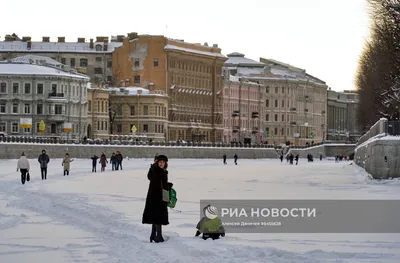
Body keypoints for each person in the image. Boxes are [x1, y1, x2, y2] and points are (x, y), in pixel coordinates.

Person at [142, 154, 170, 243]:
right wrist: (167, 187)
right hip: (158, 196)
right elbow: (158, 184)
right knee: (158, 216)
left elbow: (157, 182)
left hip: (154, 196)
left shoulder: (156, 170)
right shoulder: (158, 171)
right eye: (160, 162)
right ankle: (159, 236)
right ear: (157, 162)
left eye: (163, 162)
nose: (162, 163)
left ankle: (153, 235)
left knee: (155, 216)